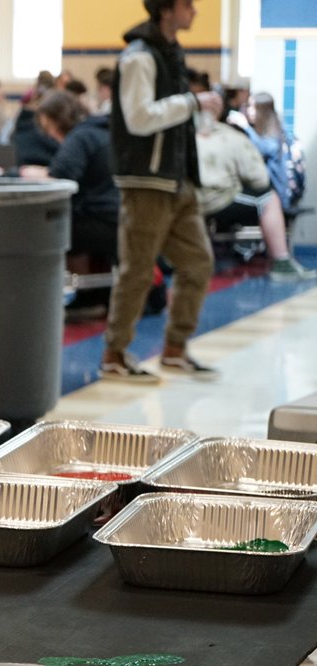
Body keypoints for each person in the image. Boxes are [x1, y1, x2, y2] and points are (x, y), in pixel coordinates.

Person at [101, 0, 224, 383]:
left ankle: (174, 348)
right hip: (147, 182)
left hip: (178, 179)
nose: (195, 11)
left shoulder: (170, 52)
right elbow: (139, 119)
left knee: (199, 262)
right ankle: (114, 353)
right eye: (189, 4)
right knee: (137, 270)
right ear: (167, 9)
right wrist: (192, 102)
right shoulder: (138, 57)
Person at [196, 113, 315, 282]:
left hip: (189, 200)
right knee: (267, 198)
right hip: (216, 198)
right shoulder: (231, 136)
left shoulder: (187, 133)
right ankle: (281, 262)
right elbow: (259, 178)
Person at [28, 90, 120, 281]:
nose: (50, 135)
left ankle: (74, 293)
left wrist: (23, 173)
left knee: (44, 230)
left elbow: (60, 178)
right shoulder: (103, 130)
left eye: (48, 128)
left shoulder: (79, 137)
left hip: (101, 221)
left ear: (57, 121)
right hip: (120, 217)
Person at [243, 92, 306, 212]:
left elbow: (262, 148)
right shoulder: (270, 130)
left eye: (252, 107)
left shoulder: (274, 134)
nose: (249, 111)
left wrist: (245, 127)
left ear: (262, 110)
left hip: (278, 198)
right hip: (273, 197)